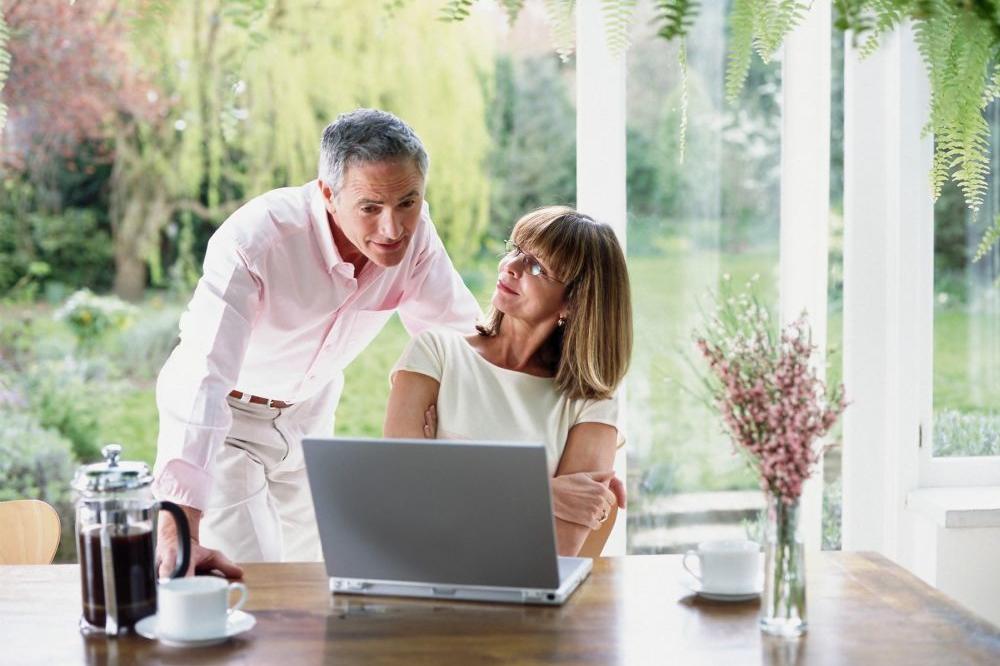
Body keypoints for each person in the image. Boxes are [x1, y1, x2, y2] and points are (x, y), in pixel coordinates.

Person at [153, 109, 482, 577]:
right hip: (228, 419)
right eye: (370, 208)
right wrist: (179, 525)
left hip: (310, 414)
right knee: (255, 579)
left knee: (324, 576)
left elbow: (461, 343)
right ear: (328, 194)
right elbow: (204, 374)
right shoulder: (256, 241)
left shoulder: (416, 237)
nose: (393, 230)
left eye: (408, 202)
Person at [384, 206, 631, 556]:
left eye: (537, 267)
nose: (511, 266)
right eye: (516, 249)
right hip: (418, 571)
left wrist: (445, 472)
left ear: (574, 302)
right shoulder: (436, 353)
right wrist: (542, 493)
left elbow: (554, 552)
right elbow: (401, 494)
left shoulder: (591, 401)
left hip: (522, 589)